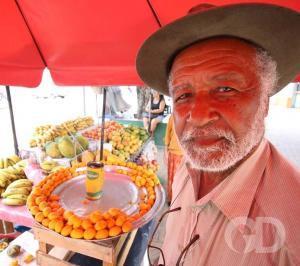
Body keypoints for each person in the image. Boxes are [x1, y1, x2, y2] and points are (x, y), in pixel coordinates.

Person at [136, 3, 300, 265]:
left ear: (265, 101)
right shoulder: (185, 170)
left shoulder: (293, 227)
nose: (198, 116)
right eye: (184, 95)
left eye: (225, 89)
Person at [164, 114, 183, 204]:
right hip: (174, 152)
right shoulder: (174, 116)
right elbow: (168, 133)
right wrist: (165, 150)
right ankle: (172, 199)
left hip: (189, 155)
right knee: (173, 178)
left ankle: (181, 200)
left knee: (185, 180)